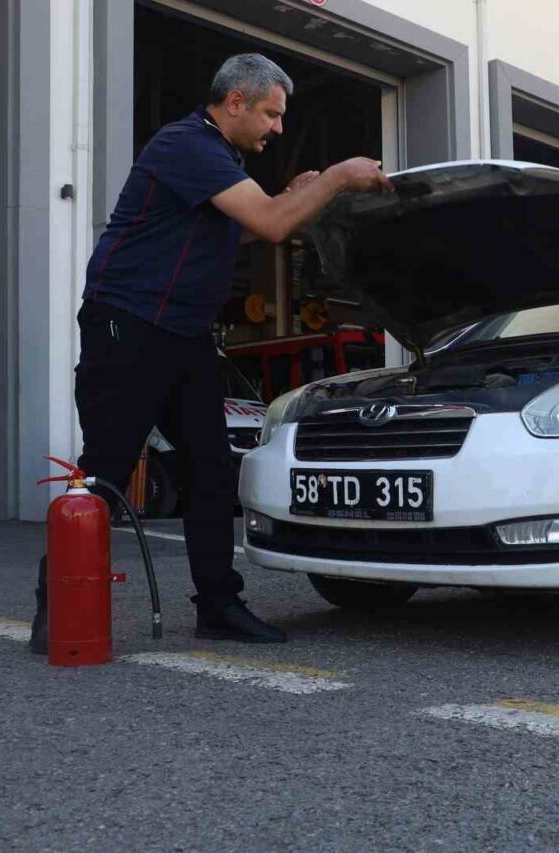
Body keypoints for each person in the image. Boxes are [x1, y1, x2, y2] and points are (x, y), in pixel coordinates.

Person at [30, 54, 392, 652]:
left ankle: (219, 605)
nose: (278, 128)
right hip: (129, 325)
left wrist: (289, 195)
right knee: (107, 472)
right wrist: (336, 176)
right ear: (236, 102)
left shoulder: (221, 159)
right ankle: (59, 604)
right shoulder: (187, 145)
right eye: (271, 114)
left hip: (184, 334)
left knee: (211, 472)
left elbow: (244, 224)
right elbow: (272, 225)